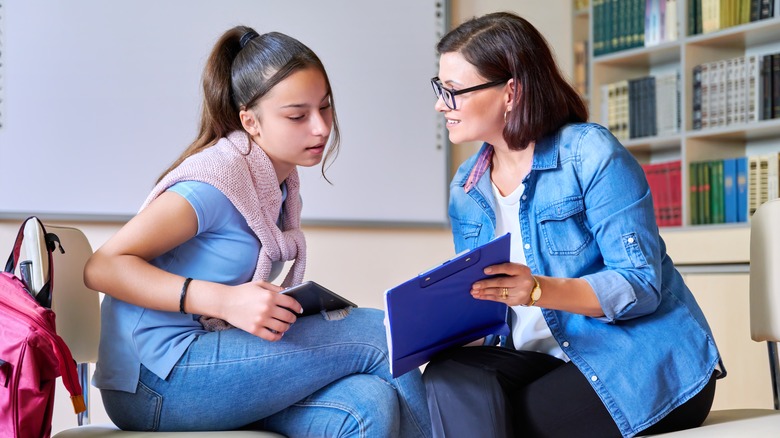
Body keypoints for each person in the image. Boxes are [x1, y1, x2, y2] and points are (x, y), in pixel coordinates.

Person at [83, 25, 431, 437]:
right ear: (250, 121)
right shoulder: (214, 183)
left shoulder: (276, 185)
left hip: (207, 364)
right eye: (298, 115)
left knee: (368, 405)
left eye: (326, 108)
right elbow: (102, 266)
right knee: (381, 334)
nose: (320, 128)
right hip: (152, 382)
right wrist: (226, 301)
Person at [422, 12, 723, 438]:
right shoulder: (466, 187)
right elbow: (493, 311)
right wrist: (438, 327)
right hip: (541, 361)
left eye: (452, 92)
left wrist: (538, 290)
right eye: (440, 89)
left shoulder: (590, 154)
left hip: (634, 357)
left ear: (511, 91)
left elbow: (641, 285)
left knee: (513, 419)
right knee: (446, 377)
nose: (440, 105)